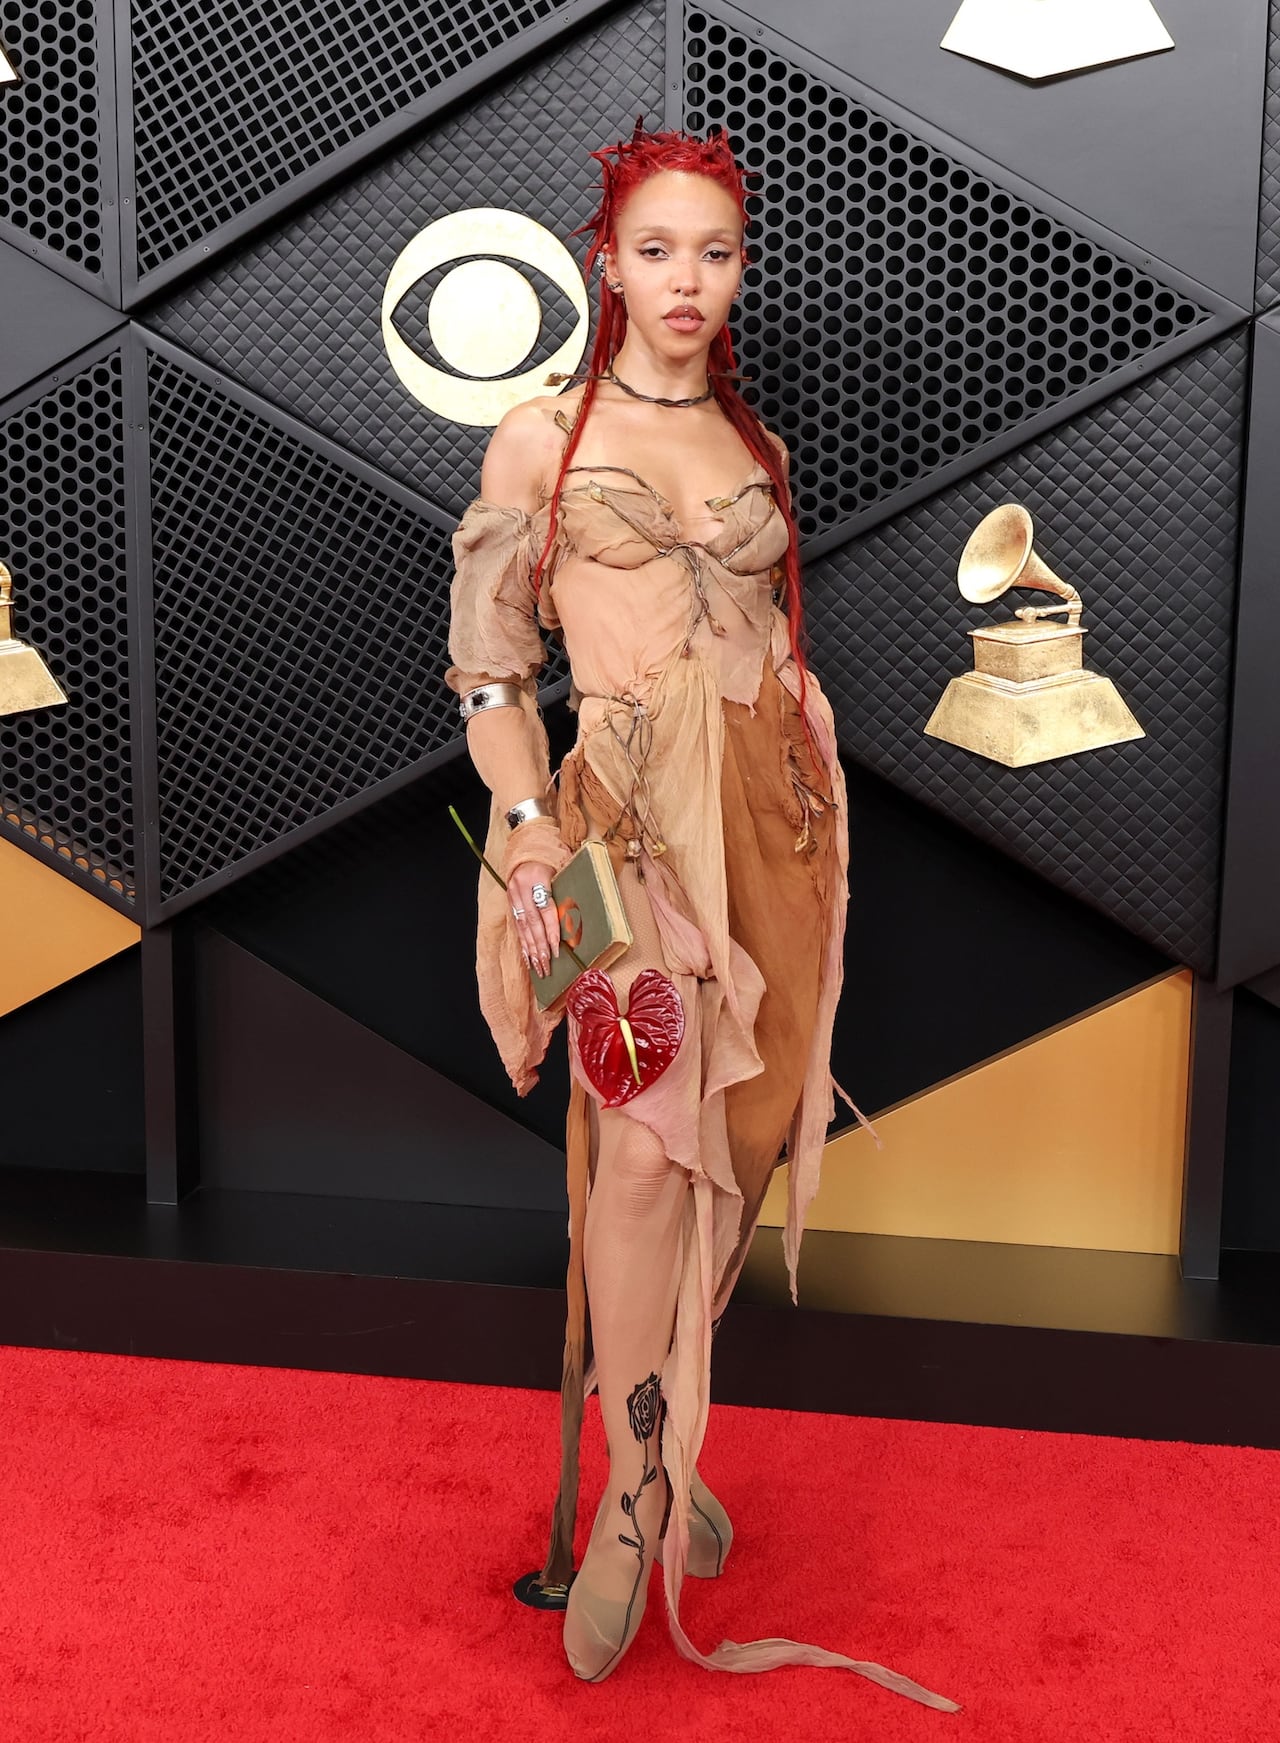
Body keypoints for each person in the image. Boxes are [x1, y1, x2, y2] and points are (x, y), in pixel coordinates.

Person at [445, 120, 960, 1713]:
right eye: (658, 249)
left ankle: (670, 1409)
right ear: (607, 261)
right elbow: (488, 671)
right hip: (616, 833)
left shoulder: (759, 451)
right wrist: (529, 837)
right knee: (643, 1152)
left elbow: (769, 654)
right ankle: (633, 1482)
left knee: (731, 1141)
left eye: (716, 252)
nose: (688, 279)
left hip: (773, 832)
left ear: (741, 271)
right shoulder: (541, 439)